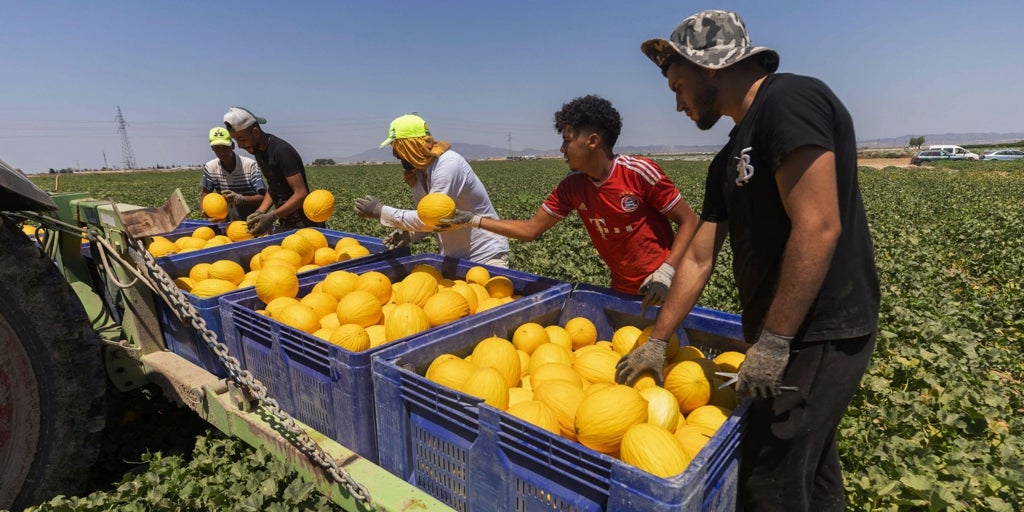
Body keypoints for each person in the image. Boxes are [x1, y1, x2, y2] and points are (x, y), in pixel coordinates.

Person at [614, 10, 880, 512]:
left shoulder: (790, 101)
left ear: (709, 66)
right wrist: (657, 340)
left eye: (678, 86)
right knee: (810, 468)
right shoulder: (728, 158)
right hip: (783, 334)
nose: (677, 104)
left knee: (768, 481)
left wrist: (775, 341)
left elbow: (819, 225)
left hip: (819, 330)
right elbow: (698, 256)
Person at [439, 95, 698, 306]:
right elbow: (531, 229)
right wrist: (473, 220)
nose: (562, 149)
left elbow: (689, 222)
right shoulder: (571, 187)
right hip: (621, 289)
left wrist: (667, 272)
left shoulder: (638, 173)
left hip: (666, 287)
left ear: (592, 141)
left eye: (567, 141)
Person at [353, 114, 510, 267]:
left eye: (397, 147)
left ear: (412, 145)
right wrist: (409, 235)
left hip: (485, 255)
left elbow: (433, 218)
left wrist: (381, 211)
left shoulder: (447, 165)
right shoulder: (419, 174)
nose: (395, 154)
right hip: (453, 258)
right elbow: (431, 221)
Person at [222, 106, 323, 236]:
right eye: (236, 141)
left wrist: (273, 216)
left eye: (242, 140)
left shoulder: (281, 151)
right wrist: (259, 212)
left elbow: (300, 193)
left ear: (256, 132)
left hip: (305, 223)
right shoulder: (259, 152)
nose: (240, 146)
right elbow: (274, 186)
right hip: (286, 220)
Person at [200, 127, 267, 221]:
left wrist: (241, 199)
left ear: (232, 146)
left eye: (225, 147)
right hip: (226, 223)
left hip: (252, 220)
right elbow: (204, 197)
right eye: (217, 148)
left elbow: (264, 197)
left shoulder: (249, 165)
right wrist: (207, 213)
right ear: (212, 148)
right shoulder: (211, 167)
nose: (222, 152)